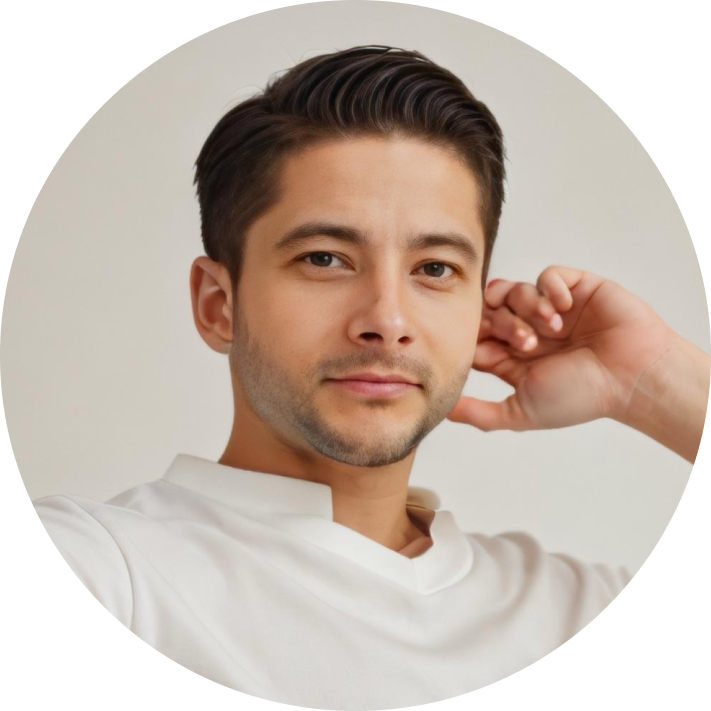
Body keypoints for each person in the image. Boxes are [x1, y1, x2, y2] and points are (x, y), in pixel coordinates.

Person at [32, 45, 707, 705]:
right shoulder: (108, 570)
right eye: (324, 258)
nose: (387, 320)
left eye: (434, 269)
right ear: (218, 305)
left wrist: (650, 382)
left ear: (478, 306)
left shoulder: (573, 609)